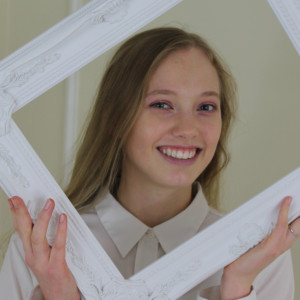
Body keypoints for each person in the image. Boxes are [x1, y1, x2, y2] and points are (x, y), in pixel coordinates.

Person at [0, 27, 299, 300]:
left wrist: (237, 289)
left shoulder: (261, 258)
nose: (187, 129)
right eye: (162, 105)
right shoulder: (41, 249)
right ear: (116, 119)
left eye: (206, 107)